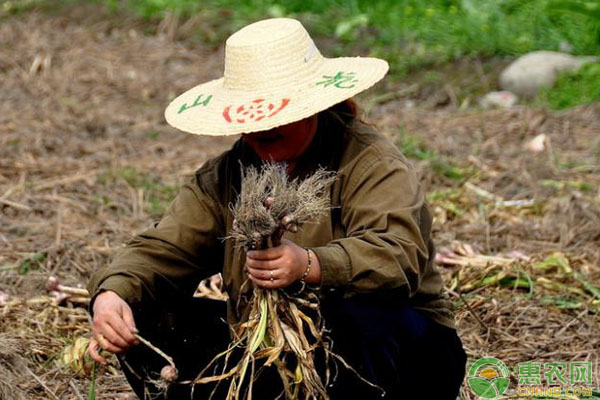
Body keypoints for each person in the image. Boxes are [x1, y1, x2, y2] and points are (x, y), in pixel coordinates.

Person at [87, 18, 467, 399]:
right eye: (254, 118)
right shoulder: (225, 176)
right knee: (144, 310)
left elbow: (398, 257)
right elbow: (165, 249)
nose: (264, 129)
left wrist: (310, 264)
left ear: (313, 106)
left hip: (398, 353)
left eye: (278, 116)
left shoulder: (369, 162)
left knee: (359, 313)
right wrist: (112, 295)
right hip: (273, 349)